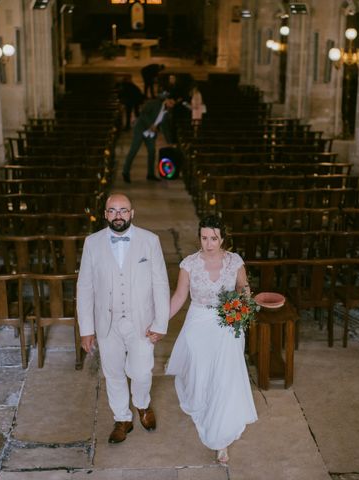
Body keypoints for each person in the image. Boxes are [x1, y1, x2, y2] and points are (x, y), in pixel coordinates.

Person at [77, 193, 170, 444]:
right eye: (112, 210)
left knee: (141, 371)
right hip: (106, 323)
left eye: (123, 210)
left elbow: (161, 284)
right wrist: (86, 329)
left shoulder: (150, 241)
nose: (118, 215)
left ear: (132, 213)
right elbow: (85, 287)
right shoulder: (92, 243)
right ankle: (122, 418)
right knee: (113, 371)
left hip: (142, 321)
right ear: (105, 214)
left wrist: (161, 323)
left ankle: (142, 404)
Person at [166, 215, 258, 464]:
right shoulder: (189, 265)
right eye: (204, 238)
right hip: (198, 325)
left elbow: (244, 287)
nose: (209, 243)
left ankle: (221, 439)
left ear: (223, 239)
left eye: (214, 238)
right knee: (201, 374)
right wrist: (158, 322)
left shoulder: (234, 261)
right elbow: (179, 297)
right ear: (199, 238)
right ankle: (203, 406)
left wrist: (242, 306)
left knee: (224, 379)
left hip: (227, 325)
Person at [122, 95, 177, 183]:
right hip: (141, 129)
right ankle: (125, 172)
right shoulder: (155, 103)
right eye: (170, 103)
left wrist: (170, 142)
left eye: (173, 105)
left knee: (152, 152)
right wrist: (150, 125)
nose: (171, 105)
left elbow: (166, 128)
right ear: (166, 100)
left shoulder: (166, 113)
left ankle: (150, 174)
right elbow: (143, 114)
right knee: (134, 150)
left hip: (151, 133)